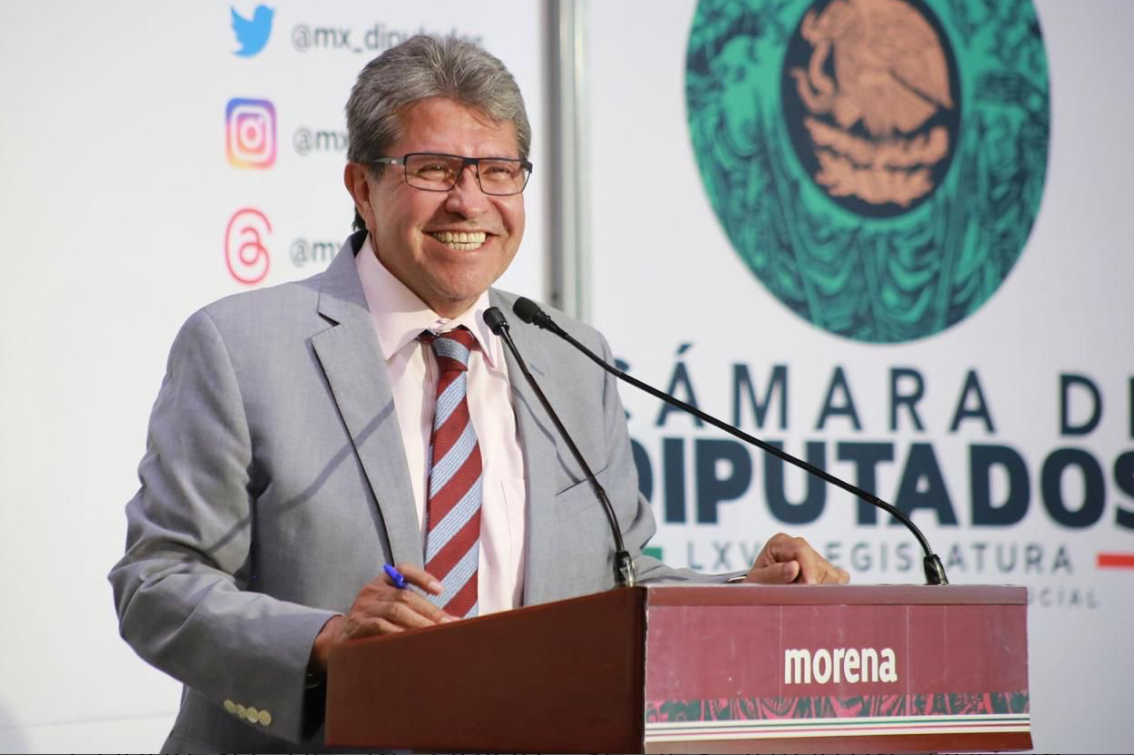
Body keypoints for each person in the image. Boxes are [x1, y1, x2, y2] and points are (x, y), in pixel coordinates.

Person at [109, 34, 848, 753]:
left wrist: (749, 594)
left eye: (498, 171)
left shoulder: (571, 359)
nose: (469, 203)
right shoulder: (243, 347)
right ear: (362, 187)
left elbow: (619, 579)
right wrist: (326, 640)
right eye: (434, 169)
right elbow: (157, 581)